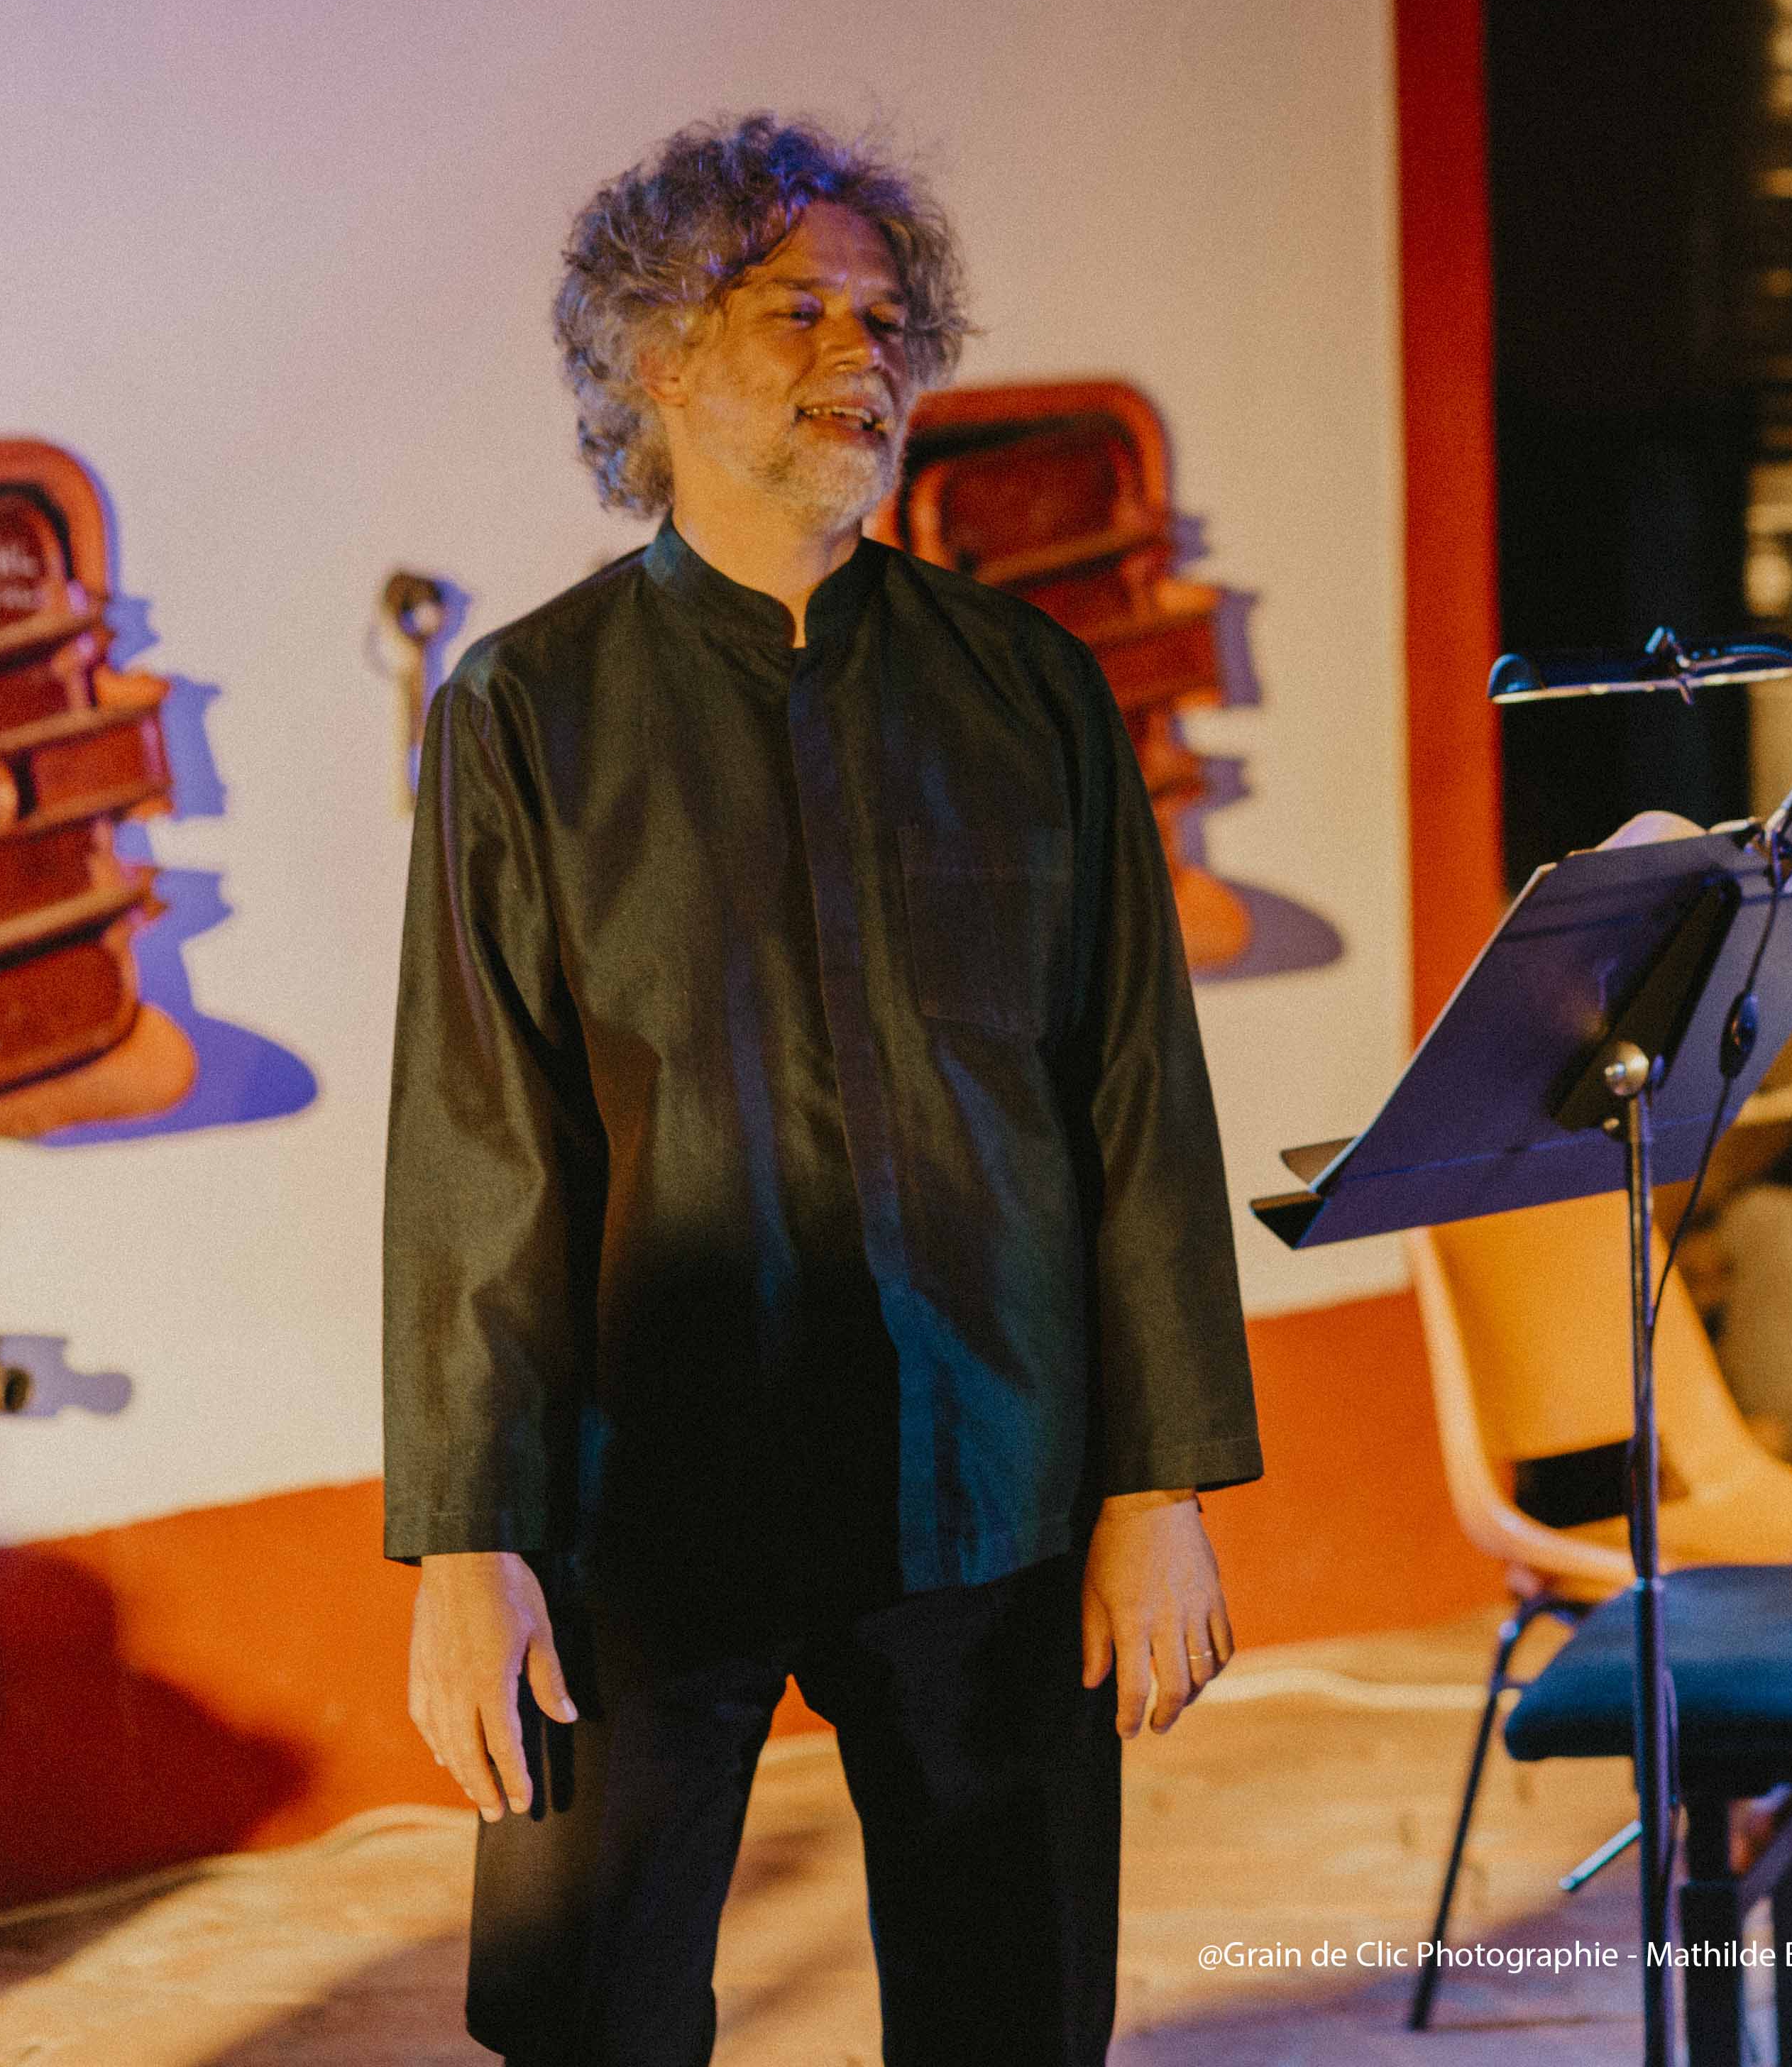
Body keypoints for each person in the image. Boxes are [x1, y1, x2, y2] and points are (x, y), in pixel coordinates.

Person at [383, 114, 1261, 2066]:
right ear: (657, 356)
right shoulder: (527, 714)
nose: (862, 352)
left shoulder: (1032, 690)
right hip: (645, 1504)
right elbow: (479, 1148)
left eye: (885, 317)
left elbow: (1133, 1103)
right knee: (589, 2021)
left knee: (1013, 2016)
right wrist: (466, 1542)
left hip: (993, 1479)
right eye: (799, 310)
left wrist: (1161, 1483)